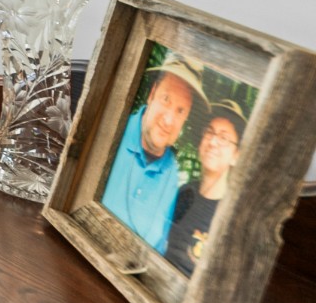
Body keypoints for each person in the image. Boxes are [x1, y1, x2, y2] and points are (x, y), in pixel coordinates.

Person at [101, 58, 203, 253]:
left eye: (180, 110)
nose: (169, 120)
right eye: (166, 99)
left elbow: (157, 249)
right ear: (151, 94)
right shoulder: (111, 131)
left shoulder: (172, 174)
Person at [165, 100, 244, 276]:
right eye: (210, 132)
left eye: (223, 138)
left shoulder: (232, 217)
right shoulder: (185, 192)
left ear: (236, 156)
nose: (213, 142)